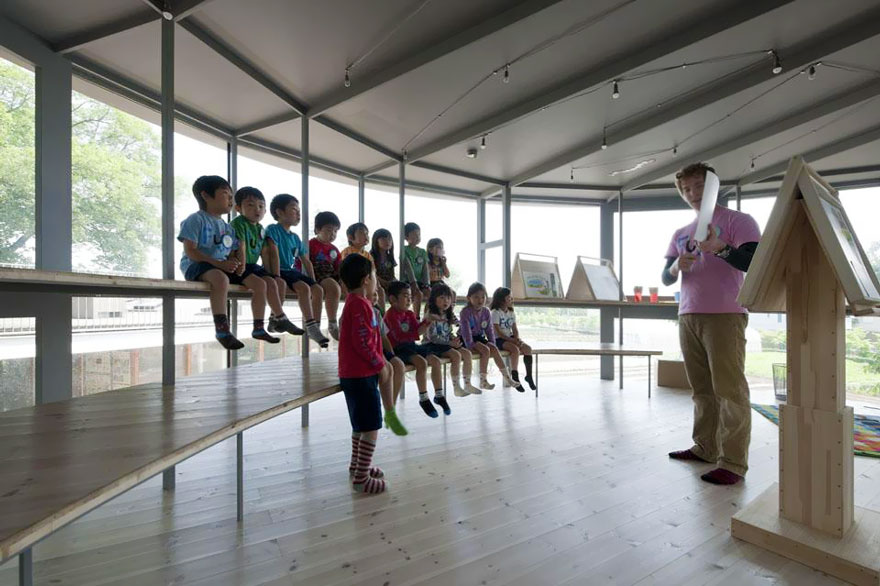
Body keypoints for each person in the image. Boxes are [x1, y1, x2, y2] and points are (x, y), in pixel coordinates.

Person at [662, 162, 761, 486]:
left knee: (729, 390)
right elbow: (665, 277)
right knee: (701, 389)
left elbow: (752, 261)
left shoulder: (738, 221)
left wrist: (720, 248)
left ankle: (733, 463)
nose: (692, 193)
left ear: (714, 186)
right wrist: (677, 265)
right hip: (688, 314)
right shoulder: (680, 233)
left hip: (726, 314)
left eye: (699, 186)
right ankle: (705, 447)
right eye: (687, 188)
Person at [178, 176, 282, 350]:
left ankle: (258, 327)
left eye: (231, 195)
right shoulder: (196, 219)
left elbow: (235, 249)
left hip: (220, 266)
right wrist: (218, 264)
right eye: (226, 194)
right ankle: (222, 329)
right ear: (206, 196)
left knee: (260, 283)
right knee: (221, 279)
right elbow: (191, 250)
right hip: (196, 264)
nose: (231, 200)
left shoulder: (227, 227)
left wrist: (238, 263)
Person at [338, 254, 407, 495]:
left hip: (355, 373)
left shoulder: (356, 303)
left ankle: (358, 465)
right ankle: (361, 478)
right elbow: (362, 342)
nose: (377, 282)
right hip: (361, 374)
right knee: (371, 427)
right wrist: (380, 364)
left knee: (360, 425)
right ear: (367, 279)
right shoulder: (360, 305)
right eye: (375, 277)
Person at [229, 187, 304, 338]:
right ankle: (268, 322)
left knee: (278, 282)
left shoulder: (260, 228)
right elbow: (241, 246)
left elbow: (264, 253)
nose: (257, 209)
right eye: (250, 205)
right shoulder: (239, 223)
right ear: (238, 208)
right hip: (239, 265)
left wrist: (272, 275)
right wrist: (242, 266)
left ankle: (276, 319)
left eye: (261, 206)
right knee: (262, 285)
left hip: (253, 266)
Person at [264, 193, 330, 347]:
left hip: (290, 271)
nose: (298, 213)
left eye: (299, 210)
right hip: (278, 270)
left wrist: (313, 281)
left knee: (317, 289)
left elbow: (306, 261)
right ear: (280, 212)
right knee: (303, 288)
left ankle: (314, 327)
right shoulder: (272, 229)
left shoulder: (295, 238)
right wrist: (276, 275)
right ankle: (276, 319)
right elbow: (272, 253)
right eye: (294, 209)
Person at [384, 281, 450, 417]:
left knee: (435, 360)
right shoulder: (390, 315)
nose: (410, 299)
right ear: (392, 299)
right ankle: (424, 398)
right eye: (405, 296)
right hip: (398, 349)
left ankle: (439, 395)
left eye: (410, 296)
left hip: (410, 346)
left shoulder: (409, 314)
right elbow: (400, 337)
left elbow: (417, 329)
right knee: (421, 362)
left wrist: (427, 321)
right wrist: (421, 328)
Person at [459, 282, 523, 392]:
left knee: (493, 348)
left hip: (478, 337)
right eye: (476, 297)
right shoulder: (465, 312)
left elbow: (489, 330)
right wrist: (470, 345)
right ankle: (483, 380)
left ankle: (507, 378)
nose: (480, 300)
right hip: (465, 338)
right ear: (469, 298)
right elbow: (466, 332)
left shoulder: (486, 311)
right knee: (485, 349)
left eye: (483, 297)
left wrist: (492, 343)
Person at [423, 283, 481, 397]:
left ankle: (467, 383)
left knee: (467, 353)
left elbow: (448, 331)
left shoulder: (447, 314)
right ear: (434, 299)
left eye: (448, 298)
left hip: (445, 344)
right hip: (431, 345)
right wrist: (451, 343)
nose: (446, 301)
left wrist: (453, 337)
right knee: (456, 355)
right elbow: (433, 338)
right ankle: (456, 387)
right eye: (442, 297)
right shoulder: (431, 314)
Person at [490, 286, 536, 391]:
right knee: (514, 350)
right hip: (498, 340)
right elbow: (498, 333)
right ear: (501, 300)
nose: (512, 300)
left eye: (511, 298)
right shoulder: (495, 313)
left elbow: (514, 329)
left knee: (527, 349)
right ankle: (514, 375)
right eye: (509, 298)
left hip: (510, 338)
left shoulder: (511, 313)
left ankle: (528, 376)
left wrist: (517, 338)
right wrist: (513, 341)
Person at [309, 211, 343, 340]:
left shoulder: (334, 249)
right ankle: (331, 323)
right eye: (329, 230)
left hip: (330, 276)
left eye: (335, 231)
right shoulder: (310, 244)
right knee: (333, 287)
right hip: (317, 275)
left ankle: (338, 321)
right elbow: (301, 262)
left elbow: (338, 267)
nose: (332, 234)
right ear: (318, 229)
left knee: (340, 287)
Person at [342, 222, 385, 309]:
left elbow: (373, 272)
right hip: (355, 284)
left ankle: (381, 316)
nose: (366, 235)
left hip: (367, 283)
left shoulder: (368, 255)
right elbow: (345, 272)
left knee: (381, 291)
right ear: (350, 237)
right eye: (362, 232)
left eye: (367, 233)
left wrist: (376, 286)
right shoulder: (347, 252)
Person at [400, 222, 431, 320]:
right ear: (406, 236)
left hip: (420, 281)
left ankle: (427, 317)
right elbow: (408, 267)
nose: (417, 237)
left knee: (431, 294)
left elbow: (425, 269)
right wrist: (413, 283)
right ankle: (416, 318)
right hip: (408, 281)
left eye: (419, 234)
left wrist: (427, 284)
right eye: (414, 234)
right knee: (418, 294)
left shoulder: (422, 252)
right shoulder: (404, 250)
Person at [370, 228, 397, 295]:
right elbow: (371, 273)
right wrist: (383, 282)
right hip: (375, 282)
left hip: (388, 283)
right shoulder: (371, 256)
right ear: (376, 241)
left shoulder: (390, 257)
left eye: (389, 239)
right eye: (383, 239)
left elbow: (392, 274)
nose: (387, 241)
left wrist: (393, 282)